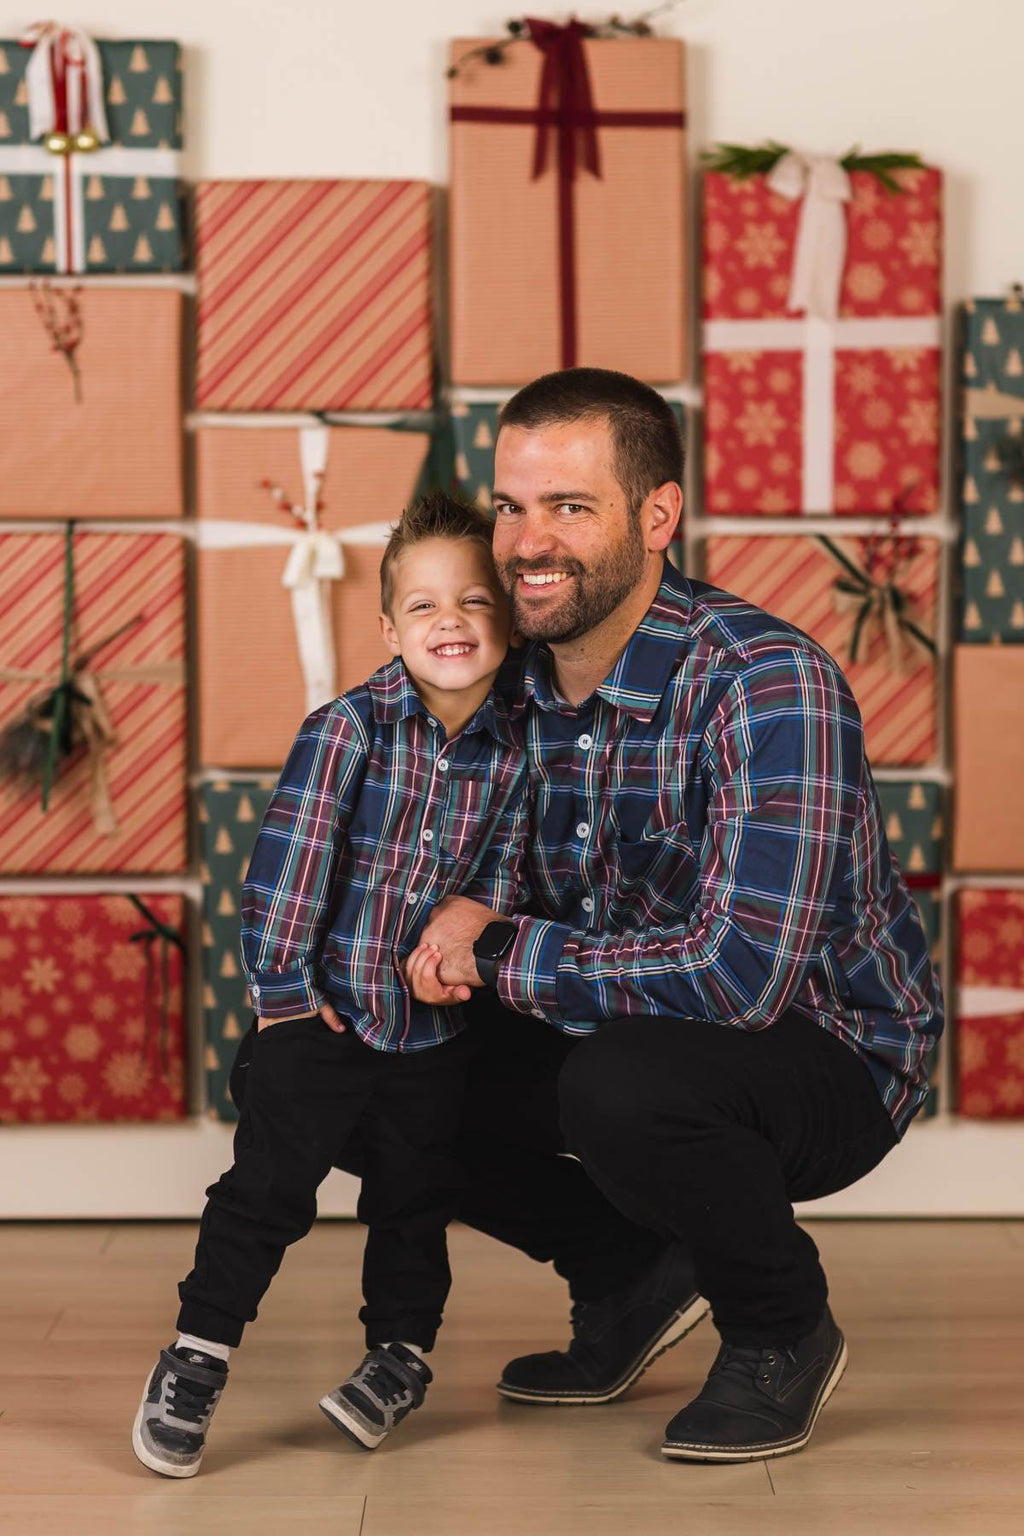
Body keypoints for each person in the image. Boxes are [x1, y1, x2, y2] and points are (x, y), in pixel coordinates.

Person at [406, 367, 943, 1463]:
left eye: (569, 507)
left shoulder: (765, 681)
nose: (525, 543)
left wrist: (496, 947)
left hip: (825, 1050)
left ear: (657, 517)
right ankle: (625, 1276)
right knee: (344, 1063)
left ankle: (778, 1328)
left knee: (628, 1082)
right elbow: (418, 871)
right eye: (511, 506)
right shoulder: (497, 679)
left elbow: (739, 979)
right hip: (619, 1016)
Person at [132, 492, 529, 1476]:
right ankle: (198, 1350)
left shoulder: (519, 750)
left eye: (475, 602)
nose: (452, 622)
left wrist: (463, 942)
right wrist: (282, 1002)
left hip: (427, 1032)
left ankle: (399, 1353)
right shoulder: (349, 731)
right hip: (319, 1012)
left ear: (509, 624)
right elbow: (290, 867)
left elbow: (504, 876)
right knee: (268, 1190)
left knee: (413, 1199)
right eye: (426, 605)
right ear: (389, 626)